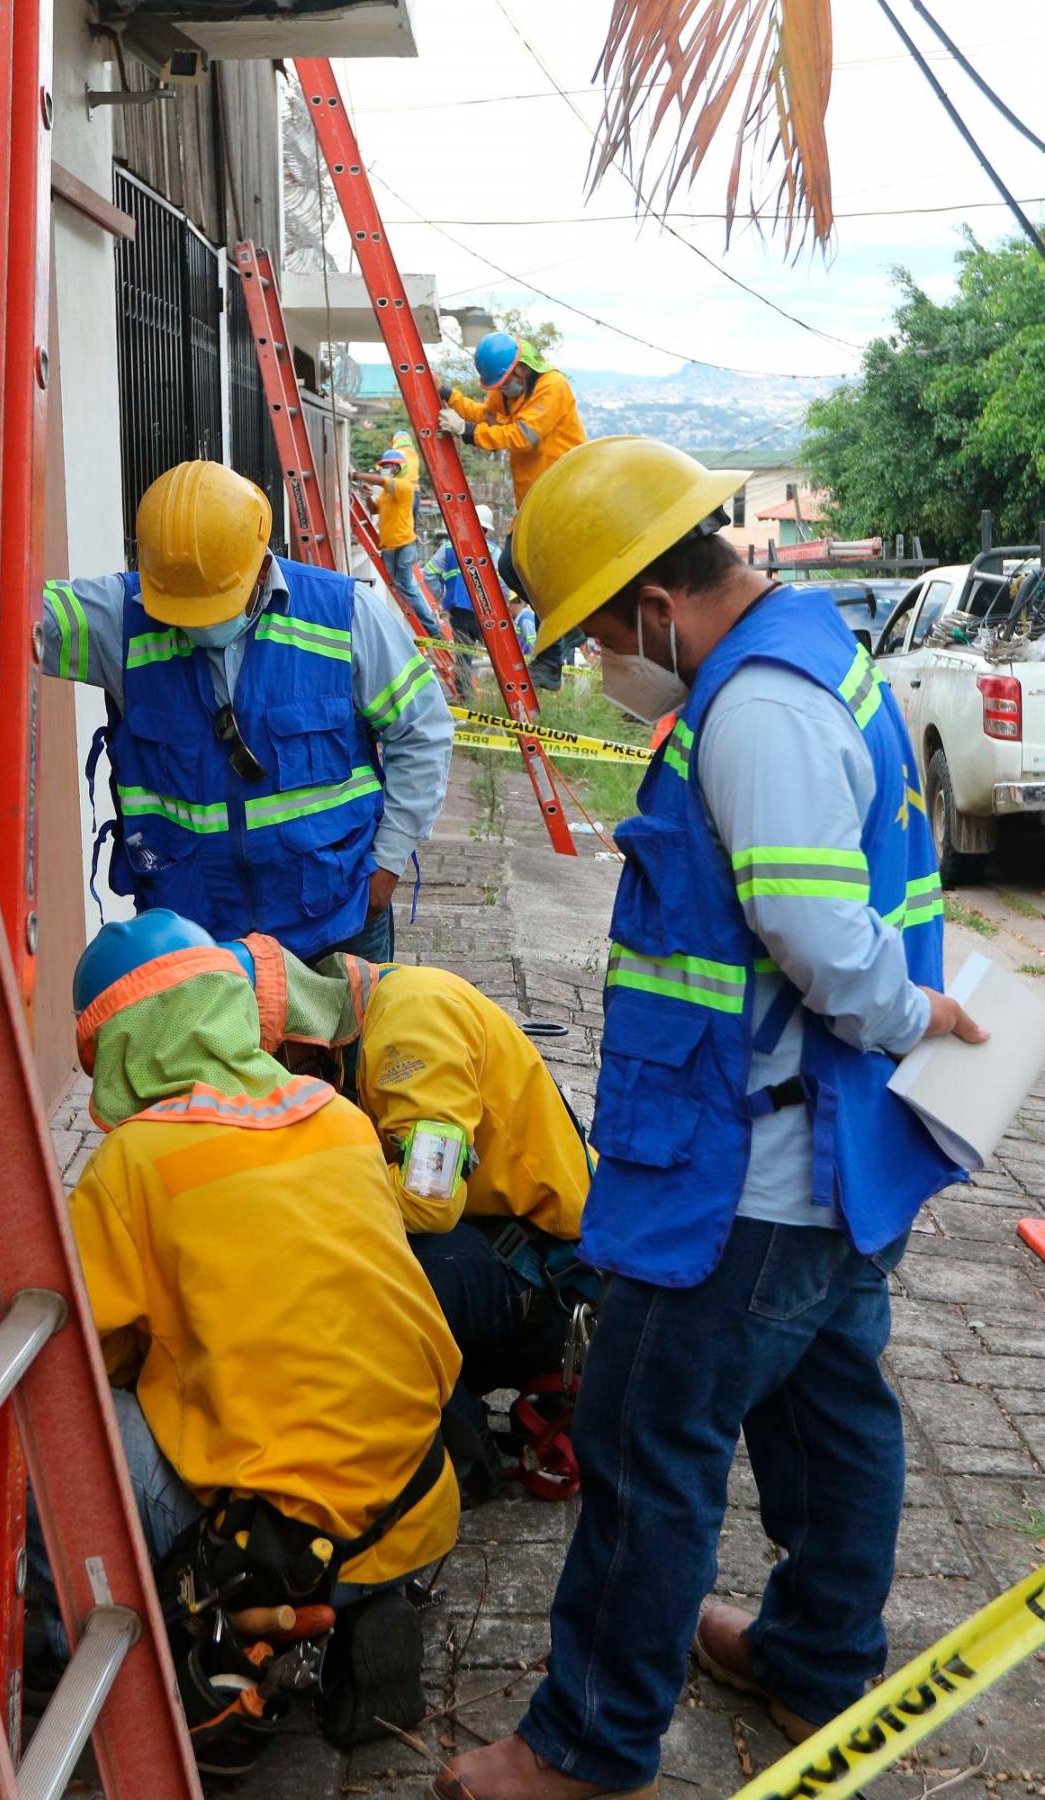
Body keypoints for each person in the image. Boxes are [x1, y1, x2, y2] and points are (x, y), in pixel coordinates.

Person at [434, 436, 988, 1800]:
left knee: (641, 1451)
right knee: (829, 1418)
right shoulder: (812, 660)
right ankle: (812, 1657)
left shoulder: (755, 711)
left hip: (749, 1173)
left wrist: (923, 1018)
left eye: (598, 640)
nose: (603, 670)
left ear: (652, 607)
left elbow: (813, 930)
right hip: (831, 1158)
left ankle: (586, 1746)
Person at [43, 909, 461, 1777]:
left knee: (49, 1420)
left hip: (278, 1532)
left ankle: (77, 1647)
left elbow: (84, 1356)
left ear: (117, 1051)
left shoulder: (133, 1166)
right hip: (418, 1493)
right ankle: (362, 1594)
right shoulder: (338, 1117)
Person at [0, 460, 452, 964]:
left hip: (335, 922)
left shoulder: (345, 615)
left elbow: (422, 729)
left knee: (350, 1058)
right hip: (195, 938)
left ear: (261, 563)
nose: (198, 626)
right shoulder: (122, 621)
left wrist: (389, 860)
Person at [226, 934, 595, 1504]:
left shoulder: (411, 1028)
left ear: (297, 1038)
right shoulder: (355, 1030)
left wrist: (304, 1209)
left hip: (550, 1275)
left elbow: (428, 1200)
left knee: (362, 1280)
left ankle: (459, 1461)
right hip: (498, 1242)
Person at [437, 330, 586, 689]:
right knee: (513, 567)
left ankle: (556, 653)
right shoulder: (509, 392)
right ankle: (570, 632)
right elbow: (485, 416)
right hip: (536, 498)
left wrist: (466, 431)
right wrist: (450, 397)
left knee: (527, 569)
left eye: (504, 384)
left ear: (521, 370)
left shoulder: (553, 388)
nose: (500, 392)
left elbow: (522, 435)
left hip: (564, 491)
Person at [422, 502, 507, 701]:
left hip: (458, 612)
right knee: (501, 655)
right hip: (486, 612)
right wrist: (502, 609)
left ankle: (465, 698)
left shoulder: (449, 548)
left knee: (464, 656)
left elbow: (429, 573)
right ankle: (505, 698)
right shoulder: (493, 551)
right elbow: (503, 583)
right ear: (485, 529)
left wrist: (441, 596)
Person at [349, 449, 437, 636]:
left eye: (389, 467)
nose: (386, 470)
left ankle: (431, 629)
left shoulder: (404, 487)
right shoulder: (385, 494)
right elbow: (374, 510)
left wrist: (355, 475)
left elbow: (382, 481)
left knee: (405, 585)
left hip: (404, 544)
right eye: (384, 467)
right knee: (396, 587)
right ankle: (417, 625)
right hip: (388, 547)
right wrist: (366, 496)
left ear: (399, 468)